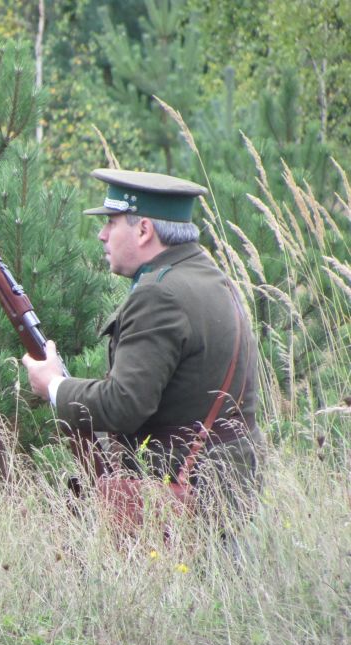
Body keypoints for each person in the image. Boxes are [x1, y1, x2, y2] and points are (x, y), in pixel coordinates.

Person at [22, 169, 262, 515]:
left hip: (180, 494)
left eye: (112, 222)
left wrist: (54, 385)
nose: (102, 235)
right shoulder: (212, 279)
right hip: (228, 484)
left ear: (144, 230)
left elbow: (123, 405)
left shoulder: (158, 294)